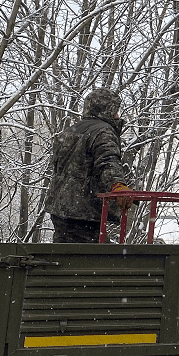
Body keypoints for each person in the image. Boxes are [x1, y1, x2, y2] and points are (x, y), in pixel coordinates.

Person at [44, 88, 134, 243]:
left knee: (62, 258)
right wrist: (118, 184)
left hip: (59, 210)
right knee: (94, 262)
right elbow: (107, 160)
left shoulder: (69, 131)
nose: (118, 116)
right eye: (116, 111)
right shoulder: (103, 131)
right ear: (108, 110)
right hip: (86, 213)